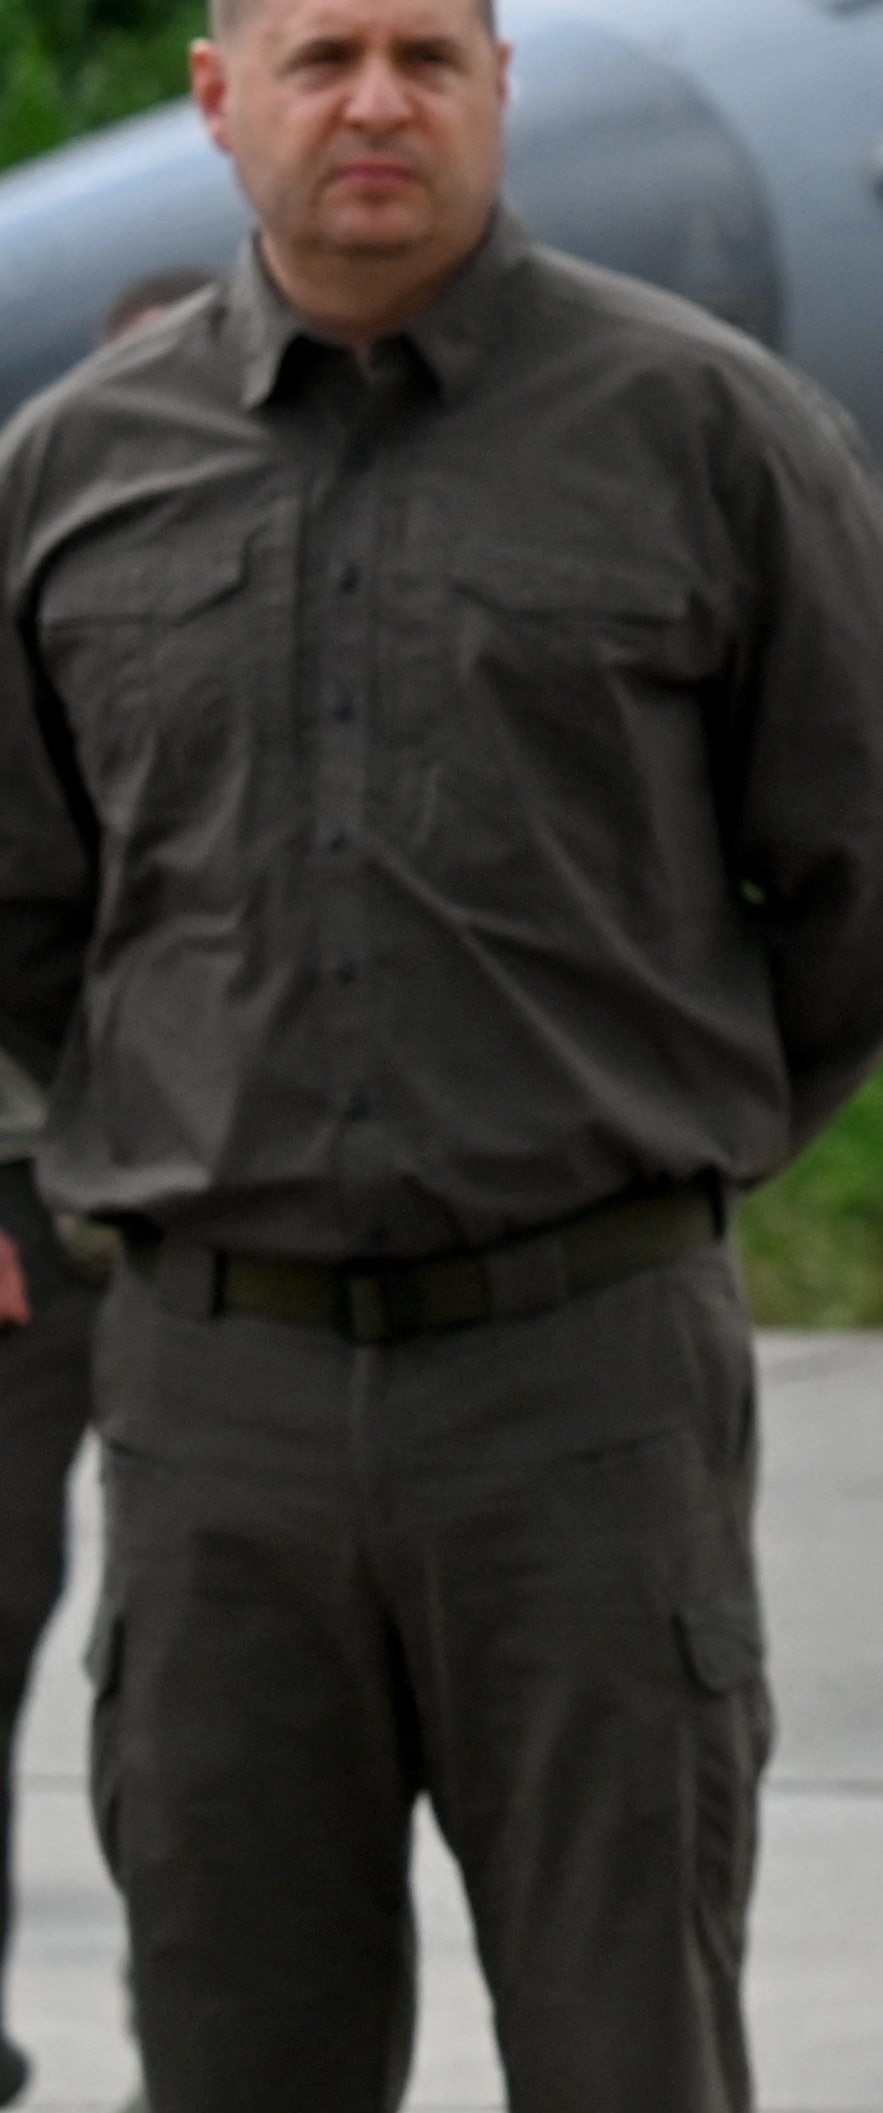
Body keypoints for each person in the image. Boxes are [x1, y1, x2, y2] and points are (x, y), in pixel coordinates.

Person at [0, 0, 883, 2113]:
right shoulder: (68, 480)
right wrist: (190, 1121)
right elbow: (17, 908)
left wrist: (617, 1149)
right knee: (237, 2050)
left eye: (428, 57)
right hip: (215, 1410)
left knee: (628, 2046)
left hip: (583, 1395)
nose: (376, 103)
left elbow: (876, 898)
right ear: (217, 97)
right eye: (322, 57)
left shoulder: (713, 441)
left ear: (500, 90)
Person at [0, 267, 222, 2104]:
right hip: (16, 1217)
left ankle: (213, 2060)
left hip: (219, 1231)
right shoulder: (37, 572)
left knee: (210, 1698)